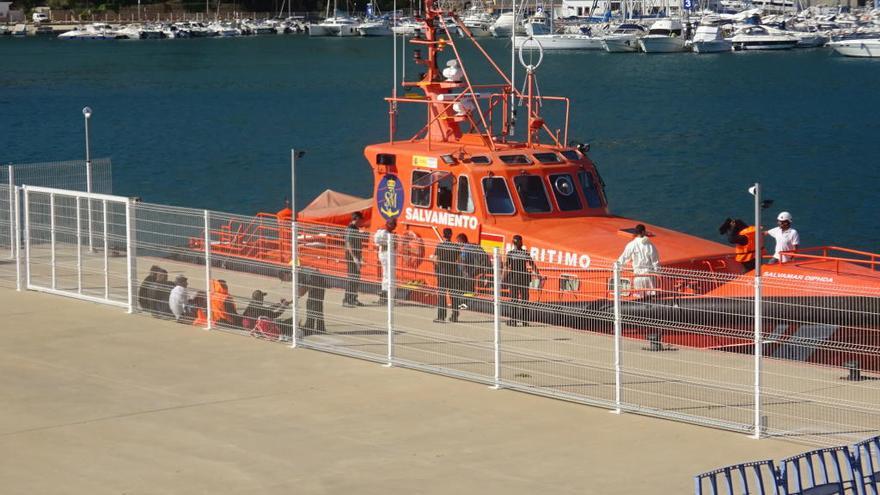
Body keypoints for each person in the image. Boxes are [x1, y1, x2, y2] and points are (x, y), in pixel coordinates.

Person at [502, 234, 539, 326]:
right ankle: (525, 321)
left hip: (514, 279)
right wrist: (538, 275)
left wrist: (501, 279)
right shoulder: (525, 253)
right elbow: (532, 265)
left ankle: (513, 320)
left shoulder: (510, 253)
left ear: (512, 243)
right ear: (521, 243)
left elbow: (506, 268)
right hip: (524, 279)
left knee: (514, 300)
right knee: (525, 300)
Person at [617, 224, 660, 298]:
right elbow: (655, 261)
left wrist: (617, 266)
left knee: (639, 298)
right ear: (643, 232)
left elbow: (624, 257)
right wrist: (658, 272)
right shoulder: (650, 246)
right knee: (652, 298)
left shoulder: (631, 245)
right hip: (649, 276)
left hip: (638, 276)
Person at [433, 228, 460, 323]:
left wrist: (437, 269)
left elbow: (435, 259)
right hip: (453, 273)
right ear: (451, 235)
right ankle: (455, 315)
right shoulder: (456, 247)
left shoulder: (440, 246)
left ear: (443, 235)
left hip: (442, 273)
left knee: (442, 295)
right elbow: (459, 260)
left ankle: (441, 316)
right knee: (454, 295)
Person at [343, 212, 366, 307]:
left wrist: (360, 257)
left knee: (356, 277)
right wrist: (354, 257)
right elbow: (349, 244)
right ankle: (347, 299)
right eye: (360, 219)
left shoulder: (356, 229)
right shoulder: (350, 229)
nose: (362, 221)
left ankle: (353, 298)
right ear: (356, 219)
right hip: (351, 256)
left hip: (356, 255)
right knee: (352, 277)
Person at [373, 217, 397, 305]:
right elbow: (377, 240)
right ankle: (388, 296)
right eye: (393, 224)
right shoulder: (384, 232)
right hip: (387, 255)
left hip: (387, 254)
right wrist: (386, 242)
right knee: (389, 276)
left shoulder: (384, 231)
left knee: (387, 275)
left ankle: (387, 295)